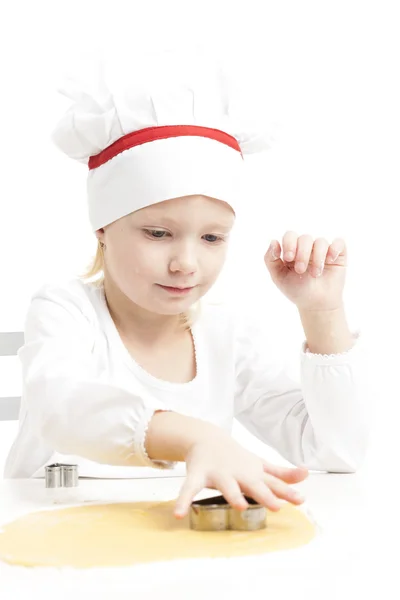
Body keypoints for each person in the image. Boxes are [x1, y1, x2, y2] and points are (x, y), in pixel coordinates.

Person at [4, 48, 368, 519]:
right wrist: (199, 436)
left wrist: (322, 316)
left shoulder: (227, 334)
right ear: (102, 228)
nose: (186, 263)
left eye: (212, 237)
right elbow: (62, 407)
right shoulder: (64, 310)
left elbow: (335, 452)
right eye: (158, 233)